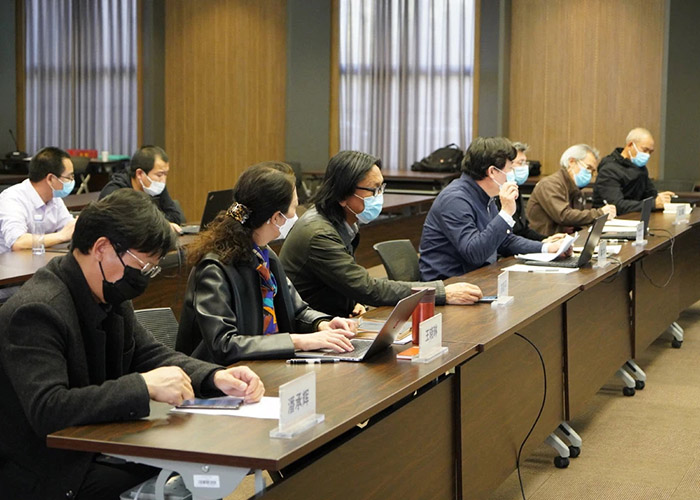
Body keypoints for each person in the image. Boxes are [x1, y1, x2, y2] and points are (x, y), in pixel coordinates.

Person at [0, 189, 264, 500]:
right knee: (188, 469)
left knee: (201, 461)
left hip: (96, 441)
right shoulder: (37, 310)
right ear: (102, 248)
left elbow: (147, 353)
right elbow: (49, 408)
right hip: (48, 469)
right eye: (143, 266)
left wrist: (214, 376)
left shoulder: (108, 292)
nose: (144, 278)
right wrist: (144, 386)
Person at [178, 162, 358, 365]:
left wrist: (322, 324)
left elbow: (297, 310)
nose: (296, 216)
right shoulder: (214, 268)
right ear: (276, 217)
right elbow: (224, 344)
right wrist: (297, 341)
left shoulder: (264, 254)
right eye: (293, 208)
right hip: (221, 374)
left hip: (263, 365)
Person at [279, 151, 483, 318]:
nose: (379, 196)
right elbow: (368, 288)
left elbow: (343, 280)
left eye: (381, 187)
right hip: (310, 328)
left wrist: (351, 302)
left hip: (332, 318)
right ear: (342, 194)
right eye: (373, 189)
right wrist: (441, 292)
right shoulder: (319, 234)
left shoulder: (342, 222)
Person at [419, 137, 569, 281]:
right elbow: (474, 253)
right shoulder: (455, 200)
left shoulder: (484, 194)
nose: (511, 174)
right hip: (449, 283)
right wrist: (506, 214)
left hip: (475, 276)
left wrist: (547, 248)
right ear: (492, 171)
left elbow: (505, 241)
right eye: (509, 169)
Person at [527, 144, 617, 236]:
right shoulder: (550, 184)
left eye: (593, 171)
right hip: (545, 240)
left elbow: (578, 220)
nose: (590, 174)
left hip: (565, 239)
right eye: (588, 168)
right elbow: (563, 216)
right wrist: (600, 213)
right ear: (571, 162)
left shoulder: (576, 190)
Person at [0, 146, 76, 253]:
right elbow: (18, 243)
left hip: (39, 259)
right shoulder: (12, 199)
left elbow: (68, 228)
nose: (72, 181)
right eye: (69, 177)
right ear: (51, 179)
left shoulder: (54, 198)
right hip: (9, 261)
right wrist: (61, 236)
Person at [99, 145, 185, 232]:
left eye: (165, 174)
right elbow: (125, 225)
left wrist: (157, 224)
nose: (163, 180)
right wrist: (161, 224)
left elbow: (175, 217)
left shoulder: (156, 186)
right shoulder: (115, 191)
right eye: (159, 175)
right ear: (140, 174)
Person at [592, 128, 675, 215]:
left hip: (634, 217)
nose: (647, 155)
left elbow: (650, 194)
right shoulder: (609, 170)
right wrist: (652, 204)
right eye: (645, 150)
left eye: (650, 152)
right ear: (630, 145)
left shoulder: (641, 169)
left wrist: (660, 198)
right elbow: (616, 206)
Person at [495, 141, 546, 241]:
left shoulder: (515, 190)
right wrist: (542, 246)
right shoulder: (495, 195)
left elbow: (523, 230)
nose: (525, 167)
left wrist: (546, 241)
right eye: (520, 162)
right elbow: (506, 238)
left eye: (525, 162)